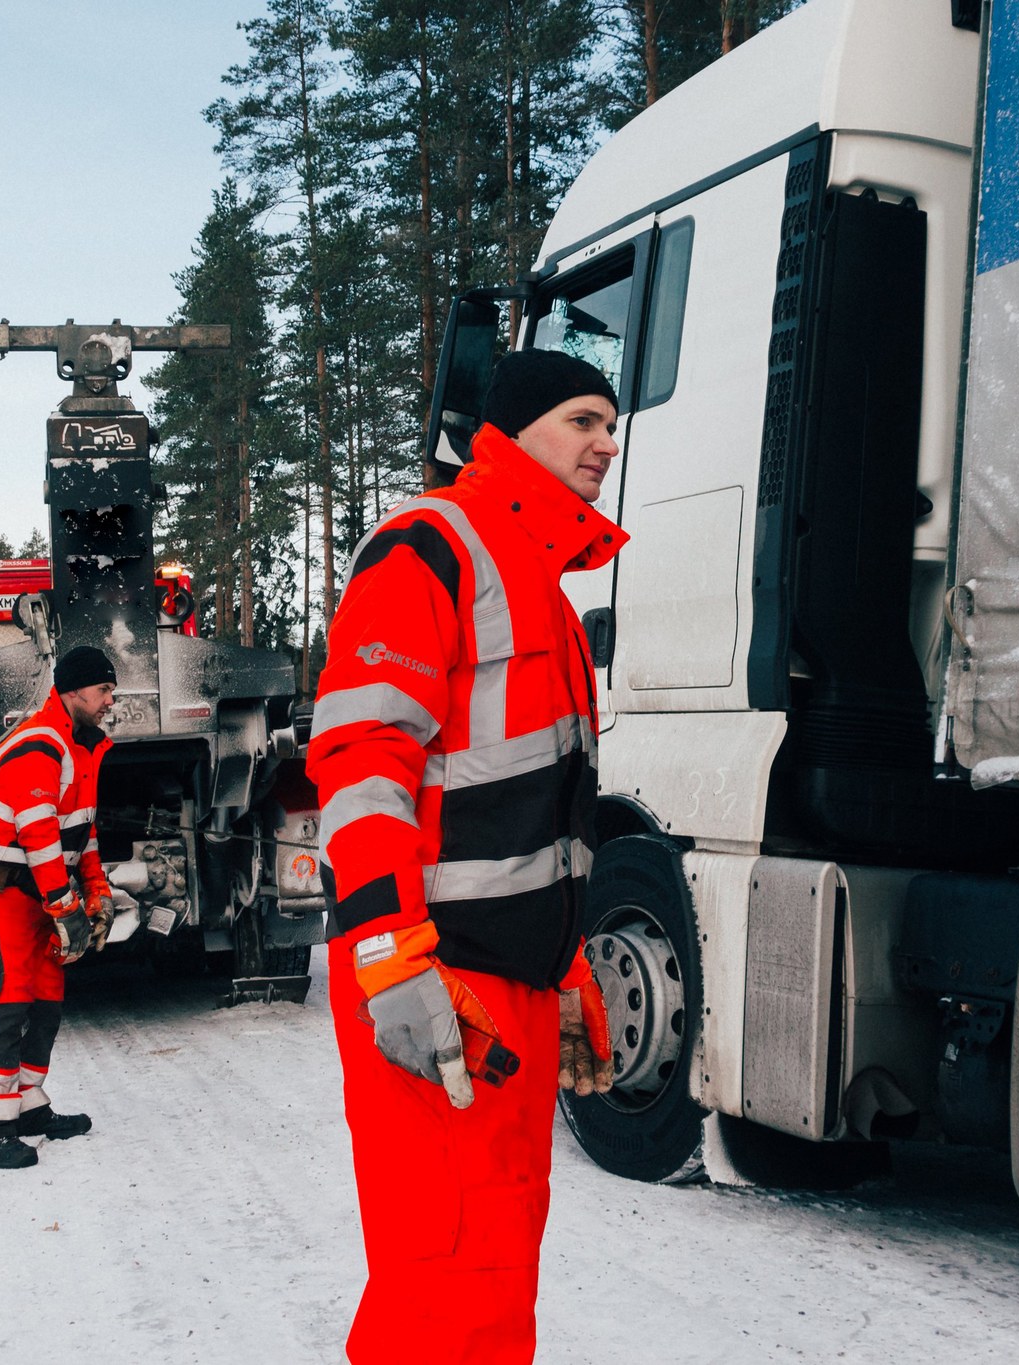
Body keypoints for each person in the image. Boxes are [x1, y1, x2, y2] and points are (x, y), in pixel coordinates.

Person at [308, 348, 630, 1363]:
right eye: (582, 419)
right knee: (444, 1295)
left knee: (490, 1282)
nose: (605, 443)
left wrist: (564, 966)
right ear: (512, 432)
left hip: (508, 993)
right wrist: (388, 955)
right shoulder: (430, 546)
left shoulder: (544, 592)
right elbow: (363, 762)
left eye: (609, 424)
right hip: (436, 980)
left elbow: (529, 816)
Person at [0, 644, 119, 1170]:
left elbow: (82, 832)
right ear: (72, 691)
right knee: (7, 1000)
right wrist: (66, 906)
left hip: (35, 894)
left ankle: (26, 1106)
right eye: (102, 690)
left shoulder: (84, 747)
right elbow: (40, 835)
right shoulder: (39, 746)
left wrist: (97, 890)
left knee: (46, 1000)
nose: (110, 701)